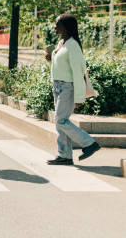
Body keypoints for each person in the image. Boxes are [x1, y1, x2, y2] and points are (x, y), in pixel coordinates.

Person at [44, 14, 100, 165]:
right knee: (60, 122)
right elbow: (61, 67)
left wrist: (79, 97)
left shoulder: (73, 45)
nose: (55, 27)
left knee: (61, 120)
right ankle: (65, 155)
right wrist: (51, 59)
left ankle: (89, 143)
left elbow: (78, 72)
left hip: (67, 88)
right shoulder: (62, 43)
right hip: (58, 86)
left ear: (66, 27)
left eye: (57, 24)